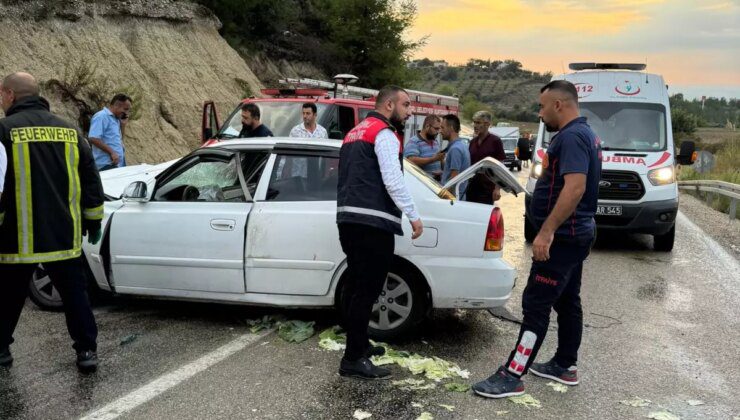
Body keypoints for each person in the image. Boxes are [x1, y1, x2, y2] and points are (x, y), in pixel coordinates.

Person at [472, 80, 601, 398]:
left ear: (559, 104)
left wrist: (546, 232)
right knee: (568, 300)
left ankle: (512, 374)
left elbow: (575, 188)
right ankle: (565, 365)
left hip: (563, 237)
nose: (539, 113)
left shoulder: (571, 137)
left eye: (542, 106)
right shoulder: (586, 135)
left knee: (536, 304)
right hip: (576, 234)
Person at [0, 72, 105, 372]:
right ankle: (86, 352)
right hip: (64, 236)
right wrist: (93, 220)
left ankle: (2, 350)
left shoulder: (4, 131)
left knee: (7, 298)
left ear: (10, 94)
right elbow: (91, 180)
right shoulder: (71, 132)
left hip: (16, 239)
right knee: (75, 299)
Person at [336, 85, 423, 380]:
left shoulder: (355, 132)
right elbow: (393, 180)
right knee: (366, 291)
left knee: (355, 287)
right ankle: (353, 359)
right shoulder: (383, 133)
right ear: (388, 105)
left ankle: (359, 344)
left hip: (348, 220)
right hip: (372, 224)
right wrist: (414, 216)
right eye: (406, 105)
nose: (409, 111)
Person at [467, 110, 505, 204]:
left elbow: (500, 166)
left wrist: (497, 189)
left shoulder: (495, 141)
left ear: (487, 124)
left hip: (487, 189)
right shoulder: (472, 142)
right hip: (471, 187)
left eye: (478, 122)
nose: (475, 125)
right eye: (474, 122)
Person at [89, 93, 132, 171]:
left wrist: (123, 125)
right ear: (117, 105)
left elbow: (120, 141)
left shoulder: (116, 120)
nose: (126, 113)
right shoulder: (101, 116)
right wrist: (112, 152)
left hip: (117, 165)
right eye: (125, 109)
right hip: (106, 165)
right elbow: (93, 138)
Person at [403, 115, 445, 179]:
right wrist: (433, 159)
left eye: (439, 129)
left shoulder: (435, 141)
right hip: (423, 185)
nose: (438, 132)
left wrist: (441, 160)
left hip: (437, 184)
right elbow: (410, 161)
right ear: (427, 126)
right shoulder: (414, 142)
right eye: (436, 128)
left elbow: (439, 161)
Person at [440, 114, 470, 197]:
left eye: (442, 127)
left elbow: (454, 178)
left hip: (452, 199)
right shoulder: (462, 145)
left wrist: (442, 196)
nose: (440, 131)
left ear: (451, 128)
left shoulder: (455, 149)